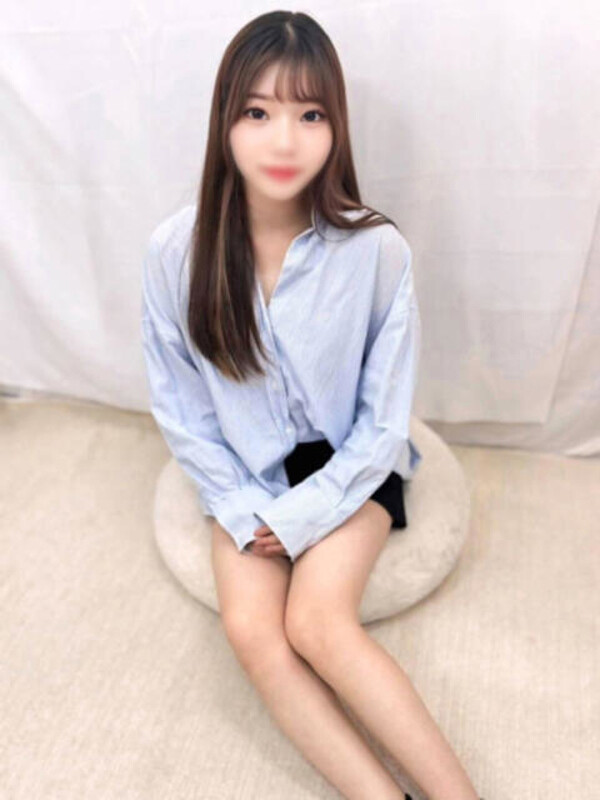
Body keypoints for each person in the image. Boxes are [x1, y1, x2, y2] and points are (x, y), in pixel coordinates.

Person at [141, 10, 484, 800]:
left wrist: (299, 518)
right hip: (247, 473)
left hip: (351, 468)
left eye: (310, 115)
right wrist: (241, 506)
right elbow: (182, 409)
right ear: (225, 121)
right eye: (258, 112)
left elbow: (382, 424)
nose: (284, 141)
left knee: (317, 624)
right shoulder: (175, 253)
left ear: (337, 128)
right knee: (254, 631)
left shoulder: (376, 250)